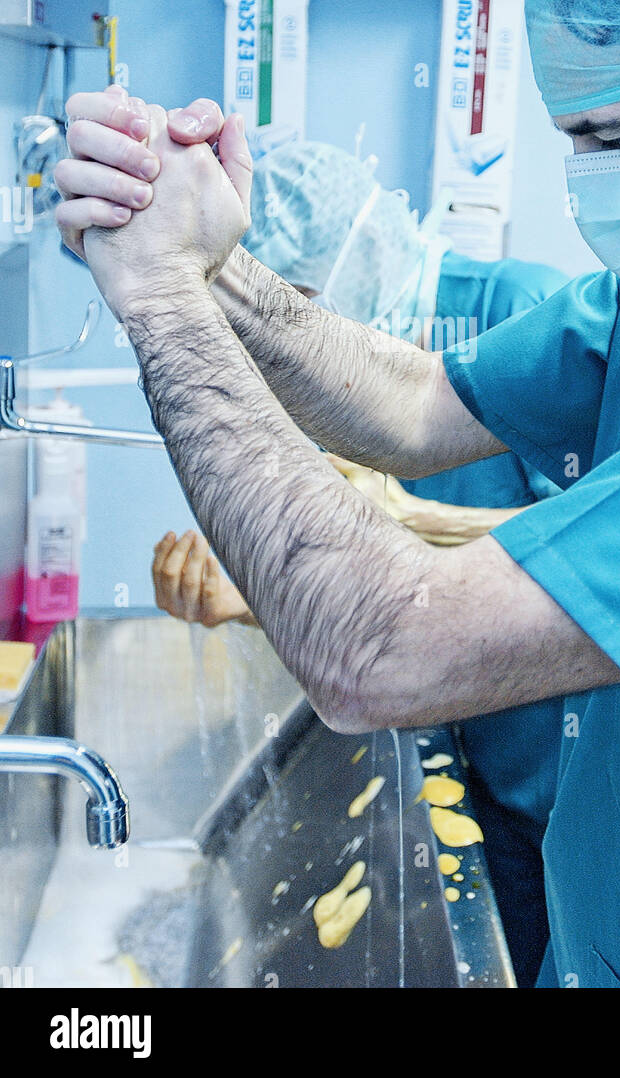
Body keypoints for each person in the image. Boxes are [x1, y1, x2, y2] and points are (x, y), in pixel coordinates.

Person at [54, 0, 620, 988]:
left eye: (612, 136)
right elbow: (422, 404)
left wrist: (164, 304)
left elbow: (385, 647)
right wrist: (223, 268)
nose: (585, 185)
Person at [151, 137, 567, 986]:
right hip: (478, 755)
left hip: (560, 769)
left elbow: (601, 549)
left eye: (298, 307)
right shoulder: (350, 390)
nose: (289, 348)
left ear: (357, 251)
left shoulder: (523, 313)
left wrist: (408, 520)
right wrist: (256, 591)